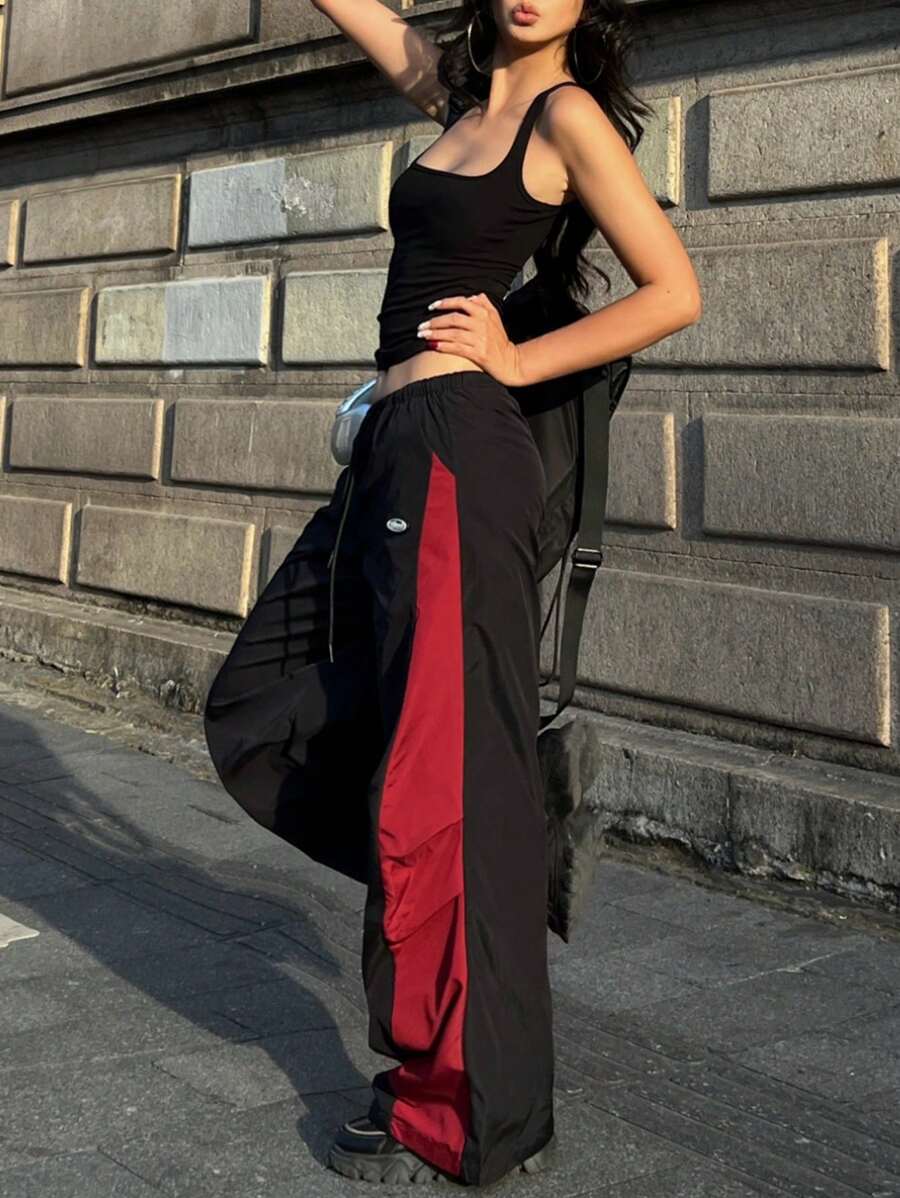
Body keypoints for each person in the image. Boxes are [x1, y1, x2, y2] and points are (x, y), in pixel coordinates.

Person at [203, 0, 701, 1188]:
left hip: (460, 454)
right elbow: (370, 21)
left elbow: (673, 289)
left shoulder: (568, 118)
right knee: (259, 702)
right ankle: (492, 839)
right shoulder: (460, 100)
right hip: (392, 448)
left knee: (443, 775)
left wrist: (518, 357)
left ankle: (462, 1105)